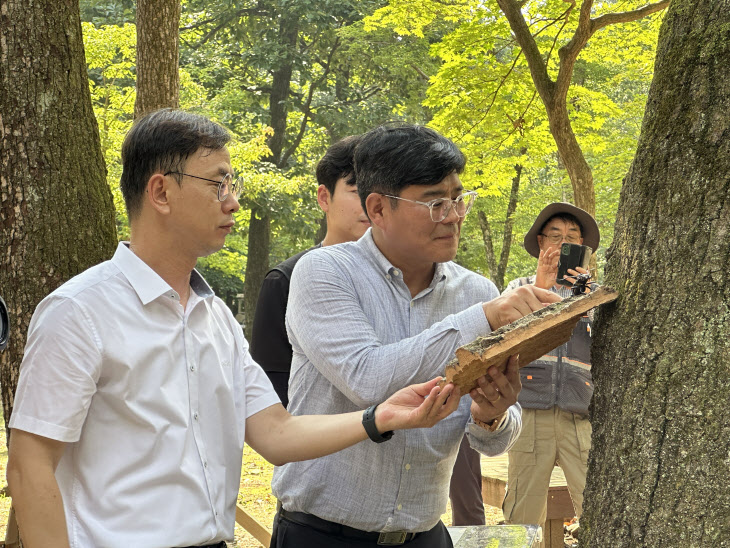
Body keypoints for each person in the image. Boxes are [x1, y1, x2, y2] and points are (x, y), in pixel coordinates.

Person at [5, 110, 464, 548]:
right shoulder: (79, 310)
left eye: (233, 183)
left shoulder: (215, 317)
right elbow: (30, 465)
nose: (233, 200)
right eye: (218, 183)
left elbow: (276, 435)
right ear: (161, 192)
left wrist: (380, 417)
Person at [270, 123, 562, 548]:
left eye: (458, 199)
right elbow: (366, 378)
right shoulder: (325, 272)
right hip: (322, 533)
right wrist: (484, 319)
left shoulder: (476, 291)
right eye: (435, 204)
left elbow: (493, 441)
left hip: (425, 534)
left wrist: (491, 414)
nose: (456, 215)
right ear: (378, 208)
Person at [501, 202, 600, 547]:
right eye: (555, 236)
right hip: (530, 414)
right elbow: (504, 337)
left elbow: (606, 348)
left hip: (579, 414)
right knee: (522, 514)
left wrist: (588, 301)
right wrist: (542, 284)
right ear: (541, 243)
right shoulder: (519, 286)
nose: (563, 243)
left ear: (584, 250)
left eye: (572, 237)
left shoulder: (593, 296)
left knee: (598, 507)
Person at [250, 135, 369, 406]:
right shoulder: (284, 281)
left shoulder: (409, 277)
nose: (372, 204)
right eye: (358, 191)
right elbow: (272, 396)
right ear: (324, 197)